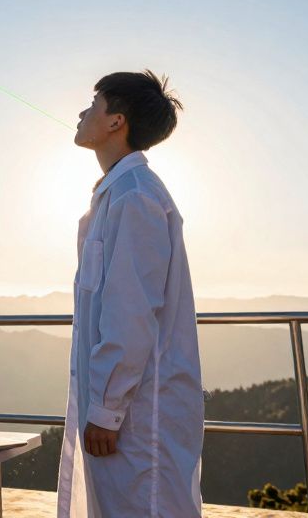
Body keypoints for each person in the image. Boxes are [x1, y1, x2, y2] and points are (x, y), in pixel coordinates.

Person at [55, 70, 203, 517]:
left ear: (116, 121)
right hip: (123, 412)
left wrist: (106, 410)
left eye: (93, 104)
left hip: (137, 418)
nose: (82, 113)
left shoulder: (135, 198)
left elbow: (131, 312)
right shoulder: (116, 195)